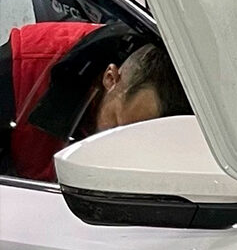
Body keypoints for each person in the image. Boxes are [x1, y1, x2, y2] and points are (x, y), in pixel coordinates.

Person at [1, 19, 188, 182]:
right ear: (110, 78)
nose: (117, 144)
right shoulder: (30, 63)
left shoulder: (184, 114)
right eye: (116, 126)